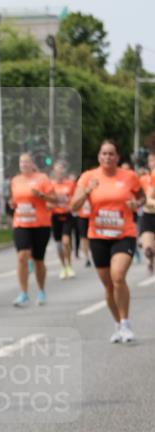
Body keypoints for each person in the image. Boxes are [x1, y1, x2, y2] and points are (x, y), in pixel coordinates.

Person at [71, 139, 144, 343]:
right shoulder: (88, 177)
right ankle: (117, 324)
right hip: (98, 236)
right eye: (104, 154)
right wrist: (86, 191)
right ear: (99, 157)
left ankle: (126, 323)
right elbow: (73, 207)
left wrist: (135, 203)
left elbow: (142, 199)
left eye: (111, 154)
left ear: (118, 157)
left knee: (118, 276)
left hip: (124, 234)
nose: (107, 157)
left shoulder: (129, 177)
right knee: (108, 285)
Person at [10, 153, 56, 307]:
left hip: (40, 224)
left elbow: (54, 199)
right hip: (21, 223)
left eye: (27, 161)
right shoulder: (15, 181)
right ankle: (23, 293)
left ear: (32, 164)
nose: (24, 164)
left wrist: (41, 195)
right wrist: (12, 204)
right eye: (21, 162)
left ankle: (41, 290)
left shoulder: (42, 178)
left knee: (38, 260)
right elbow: (15, 200)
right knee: (22, 256)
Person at [49, 159, 77, 279]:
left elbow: (75, 198)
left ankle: (69, 265)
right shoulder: (50, 185)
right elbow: (47, 201)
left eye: (62, 169)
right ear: (54, 172)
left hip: (67, 215)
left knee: (66, 242)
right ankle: (63, 266)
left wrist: (72, 205)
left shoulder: (70, 184)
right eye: (57, 170)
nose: (60, 172)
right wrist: (51, 204)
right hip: (55, 216)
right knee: (59, 244)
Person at [137, 152, 155, 273]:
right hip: (148, 215)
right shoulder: (143, 179)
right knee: (148, 249)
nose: (153, 163)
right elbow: (144, 199)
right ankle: (150, 260)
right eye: (151, 160)